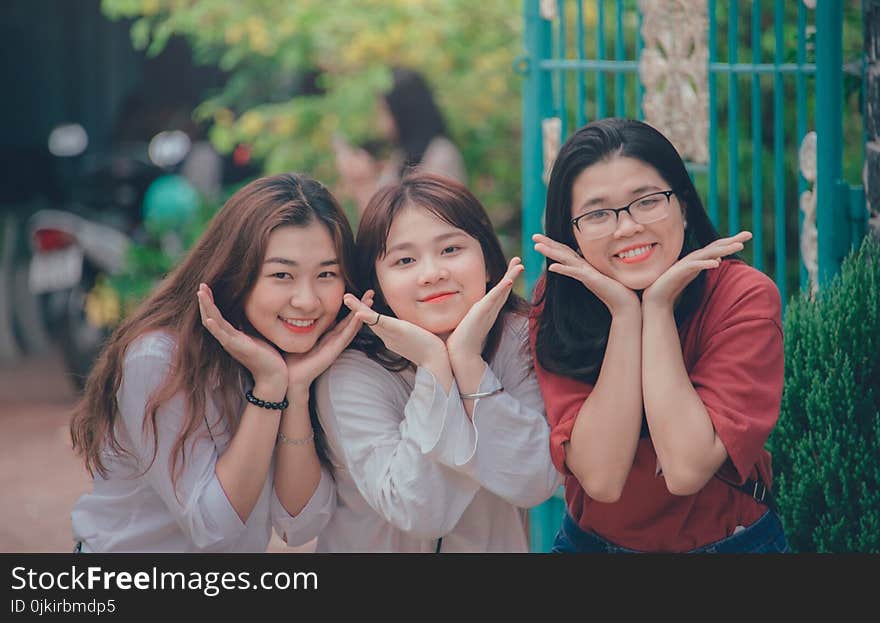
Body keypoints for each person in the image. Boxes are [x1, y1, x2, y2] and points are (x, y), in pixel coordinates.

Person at [69, 173, 373, 552]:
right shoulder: (159, 359)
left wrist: (294, 391)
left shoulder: (299, 357)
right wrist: (268, 391)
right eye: (282, 275)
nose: (307, 300)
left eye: (327, 274)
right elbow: (213, 529)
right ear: (236, 272)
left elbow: (301, 525)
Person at [530, 118, 789, 553]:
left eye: (647, 201)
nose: (627, 226)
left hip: (727, 545)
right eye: (597, 214)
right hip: (590, 545)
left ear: (683, 206)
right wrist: (626, 316)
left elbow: (687, 468)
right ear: (570, 232)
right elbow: (601, 478)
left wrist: (658, 307)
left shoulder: (742, 296)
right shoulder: (559, 302)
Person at [314, 173, 561, 552]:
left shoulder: (515, 337)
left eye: (450, 250)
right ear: (376, 285)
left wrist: (467, 362)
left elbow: (533, 481)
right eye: (405, 260)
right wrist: (435, 368)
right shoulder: (353, 371)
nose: (432, 274)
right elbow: (419, 511)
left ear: (488, 261)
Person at [334, 68, 466, 215]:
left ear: (403, 111)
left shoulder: (441, 154)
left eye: (383, 110)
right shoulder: (401, 156)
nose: (379, 120)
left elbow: (388, 227)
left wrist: (363, 183)